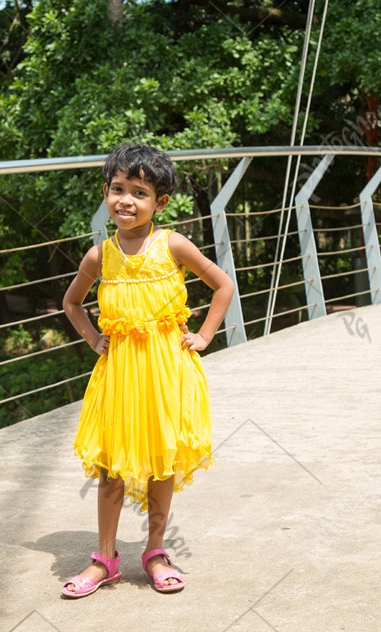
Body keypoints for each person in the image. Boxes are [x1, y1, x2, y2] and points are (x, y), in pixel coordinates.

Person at [60, 143, 234, 597]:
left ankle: (155, 551)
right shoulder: (100, 256)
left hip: (164, 374)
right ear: (105, 193)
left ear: (161, 203)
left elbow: (223, 285)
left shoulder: (172, 244)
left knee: (160, 464)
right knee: (111, 466)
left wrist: (205, 335)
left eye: (140, 193)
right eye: (118, 189)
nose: (126, 201)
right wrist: (93, 338)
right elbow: (72, 303)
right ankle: (104, 559)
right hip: (119, 378)